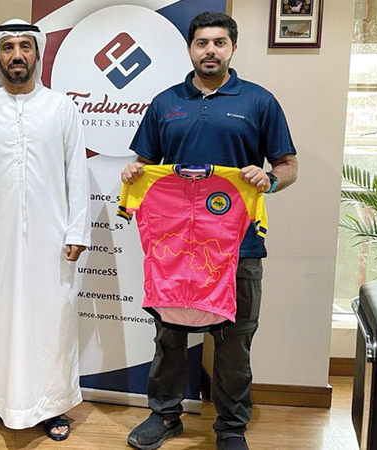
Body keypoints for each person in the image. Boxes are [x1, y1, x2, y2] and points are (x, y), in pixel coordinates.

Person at [120, 12, 298, 450]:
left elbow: (288, 166)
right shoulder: (165, 103)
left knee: (235, 342)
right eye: (202, 43)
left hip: (239, 247)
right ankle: (165, 415)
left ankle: (231, 427)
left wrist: (268, 179)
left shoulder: (259, 101)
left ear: (233, 48)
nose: (210, 51)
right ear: (190, 49)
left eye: (219, 42)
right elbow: (145, 164)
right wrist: (133, 172)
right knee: (169, 336)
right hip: (176, 249)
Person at [0, 19, 90, 441]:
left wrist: (77, 231)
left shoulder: (61, 108)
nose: (17, 55)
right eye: (8, 47)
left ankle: (52, 403)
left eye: (25, 47)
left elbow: (77, 174)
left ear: (37, 53)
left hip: (52, 238)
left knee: (52, 319)